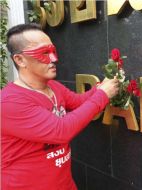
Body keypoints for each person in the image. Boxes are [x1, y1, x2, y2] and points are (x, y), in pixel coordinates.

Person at [1, 23, 119, 190]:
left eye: (53, 51)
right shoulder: (9, 102)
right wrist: (103, 95)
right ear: (20, 60)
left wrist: (102, 86)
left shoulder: (53, 87)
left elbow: (79, 101)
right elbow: (61, 131)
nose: (54, 59)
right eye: (43, 53)